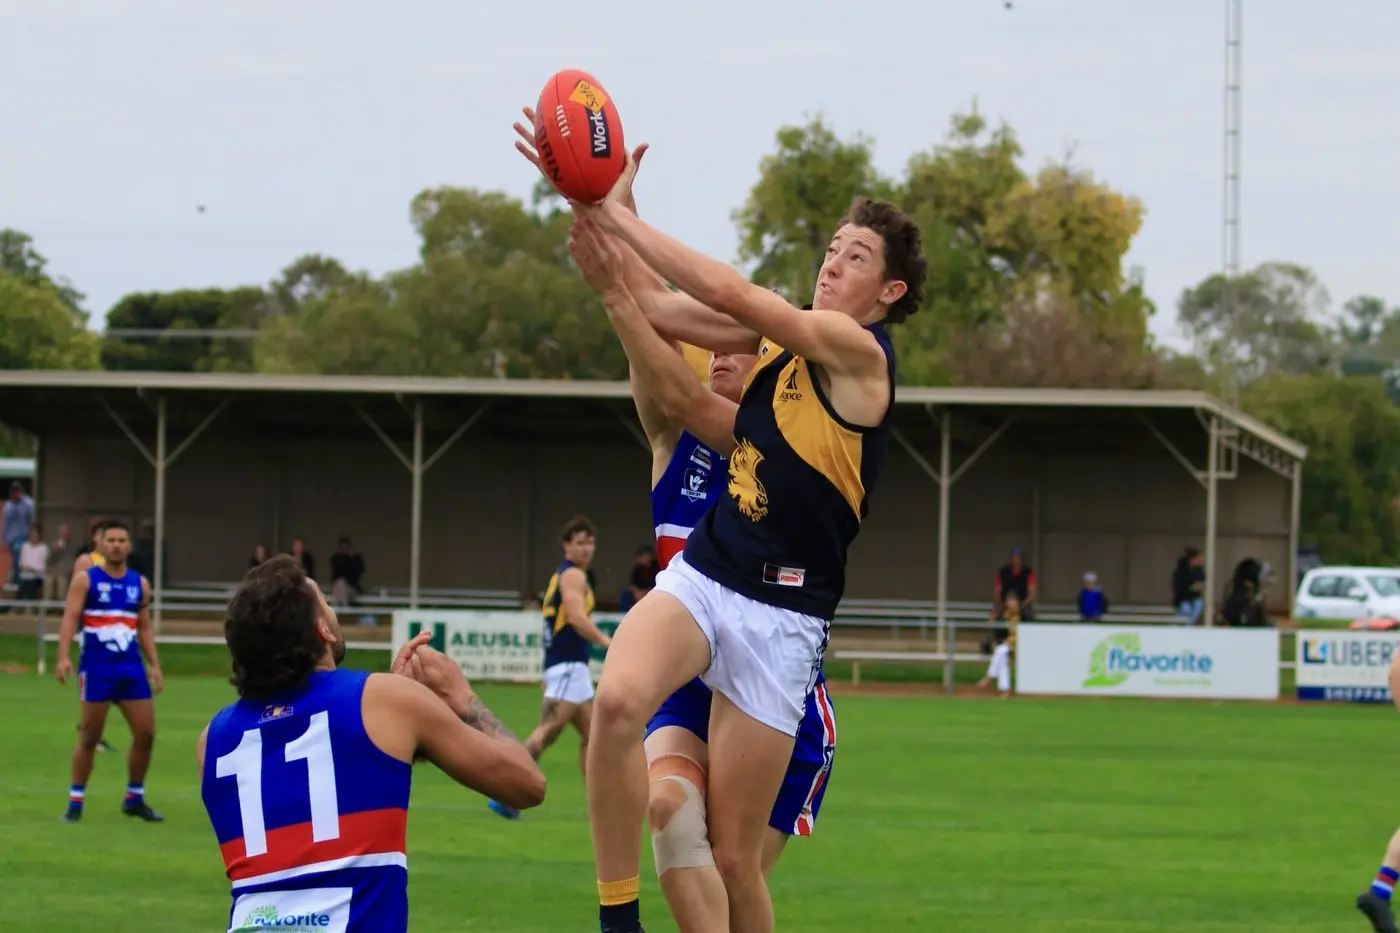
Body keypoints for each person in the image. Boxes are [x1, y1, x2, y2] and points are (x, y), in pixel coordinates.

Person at [565, 152, 925, 933]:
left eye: (856, 257)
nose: (833, 263)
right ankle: (617, 917)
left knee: (734, 860)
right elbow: (664, 312)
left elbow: (731, 291)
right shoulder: (779, 352)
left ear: (889, 293)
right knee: (618, 700)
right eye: (832, 248)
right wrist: (603, 221)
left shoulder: (860, 355)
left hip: (783, 618)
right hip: (708, 574)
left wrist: (618, 218)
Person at [197, 556, 545, 933]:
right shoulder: (384, 701)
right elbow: (526, 783)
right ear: (322, 630)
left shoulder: (212, 740)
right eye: (326, 602)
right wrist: (461, 698)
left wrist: (403, 716)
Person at [487, 515, 612, 820]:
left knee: (593, 736)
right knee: (547, 731)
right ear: (566, 546)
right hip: (568, 666)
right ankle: (505, 792)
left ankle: (599, 803)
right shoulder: (574, 576)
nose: (586, 548)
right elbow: (575, 617)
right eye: (579, 542)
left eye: (590, 542)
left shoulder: (564, 574)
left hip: (569, 667)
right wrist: (606, 642)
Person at [55, 521, 163, 822]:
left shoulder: (139, 584)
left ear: (129, 546)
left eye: (121, 540)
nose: (116, 545)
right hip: (97, 669)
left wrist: (154, 664)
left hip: (131, 669)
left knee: (146, 733)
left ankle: (134, 798)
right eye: (111, 540)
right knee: (90, 736)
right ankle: (75, 803)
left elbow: (144, 627)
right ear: (101, 544)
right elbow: (70, 617)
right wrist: (63, 657)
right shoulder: (86, 580)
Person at [71, 519, 116, 752]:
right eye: (101, 535)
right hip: (92, 629)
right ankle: (89, 730)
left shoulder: (115, 564)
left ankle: (93, 729)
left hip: (113, 630)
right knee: (95, 678)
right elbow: (76, 596)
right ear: (94, 538)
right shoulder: (87, 561)